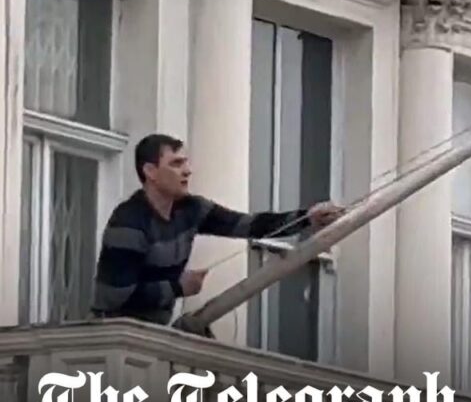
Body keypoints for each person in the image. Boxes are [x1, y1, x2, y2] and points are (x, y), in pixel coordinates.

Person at [91, 133, 344, 325]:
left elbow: (250, 225)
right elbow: (114, 299)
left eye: (186, 163)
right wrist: (178, 287)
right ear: (150, 172)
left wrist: (307, 218)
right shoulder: (128, 222)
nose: (188, 171)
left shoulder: (191, 209)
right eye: (176, 163)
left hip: (153, 336)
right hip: (114, 339)